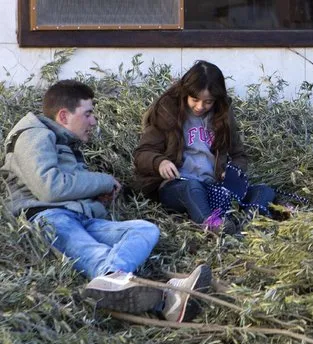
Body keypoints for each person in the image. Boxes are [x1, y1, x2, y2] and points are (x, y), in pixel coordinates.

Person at [0, 79, 210, 323]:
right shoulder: (33, 135)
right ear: (64, 116)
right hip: (45, 219)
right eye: (88, 114)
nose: (94, 121)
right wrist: (103, 181)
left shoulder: (63, 143)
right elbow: (50, 188)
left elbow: (68, 191)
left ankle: (148, 292)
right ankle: (158, 294)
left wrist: (97, 201)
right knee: (97, 254)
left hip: (76, 219)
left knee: (144, 229)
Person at [133, 60, 249, 232]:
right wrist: (160, 162)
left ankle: (270, 213)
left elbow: (240, 155)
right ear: (185, 93)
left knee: (261, 190)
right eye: (194, 99)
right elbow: (142, 153)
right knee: (192, 187)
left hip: (212, 185)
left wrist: (231, 171)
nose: (200, 107)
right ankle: (211, 225)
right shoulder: (167, 111)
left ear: (216, 99)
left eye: (208, 102)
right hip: (177, 185)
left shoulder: (223, 115)